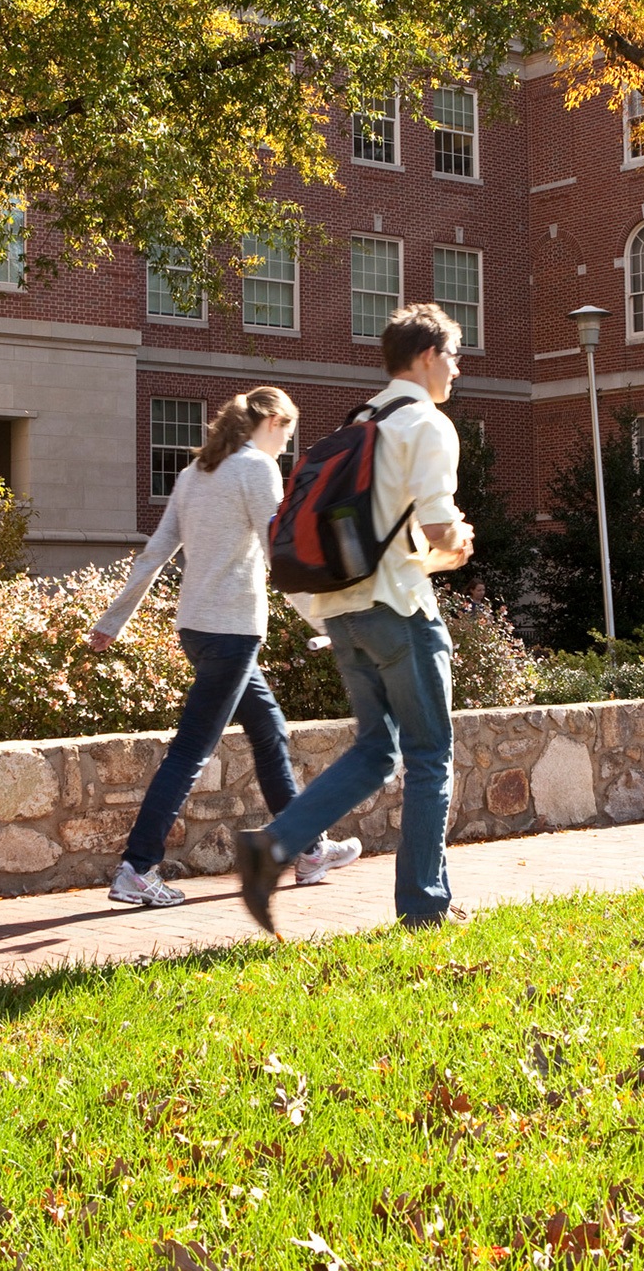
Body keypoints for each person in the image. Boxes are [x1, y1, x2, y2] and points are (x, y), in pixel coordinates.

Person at [234, 304, 476, 932]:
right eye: (452, 355)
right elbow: (437, 527)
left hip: (341, 611)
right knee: (429, 756)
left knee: (376, 749)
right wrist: (459, 546)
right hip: (398, 610)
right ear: (426, 356)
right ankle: (425, 908)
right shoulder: (426, 422)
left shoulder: (362, 418)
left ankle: (274, 846)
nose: (457, 369)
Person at [89, 386, 359, 907]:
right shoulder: (256, 469)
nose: (289, 440)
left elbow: (155, 553)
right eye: (289, 428)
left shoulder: (194, 475)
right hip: (232, 631)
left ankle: (307, 850)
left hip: (198, 628)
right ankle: (136, 869)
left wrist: (112, 621)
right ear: (272, 421)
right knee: (191, 751)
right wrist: (329, 619)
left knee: (269, 730)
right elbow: (281, 553)